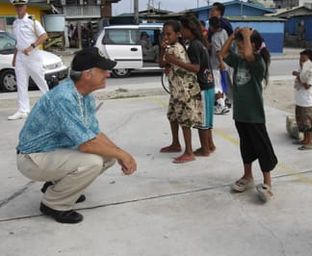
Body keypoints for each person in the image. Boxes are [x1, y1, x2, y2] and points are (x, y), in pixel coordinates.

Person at [16, 47, 137, 224]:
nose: (108, 74)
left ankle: (59, 187)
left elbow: (94, 132)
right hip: (32, 158)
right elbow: (86, 144)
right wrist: (123, 155)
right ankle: (54, 203)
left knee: (108, 155)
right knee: (92, 162)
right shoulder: (64, 97)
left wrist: (118, 152)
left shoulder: (83, 94)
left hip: (52, 152)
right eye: (103, 70)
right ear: (87, 74)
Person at [220, 28, 278, 203]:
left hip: (255, 116)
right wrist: (232, 36)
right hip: (241, 115)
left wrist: (246, 35)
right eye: (238, 46)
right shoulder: (239, 62)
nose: (239, 49)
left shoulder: (258, 62)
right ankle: (248, 176)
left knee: (262, 148)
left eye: (241, 45)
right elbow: (222, 54)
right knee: (246, 147)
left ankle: (267, 182)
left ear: (253, 45)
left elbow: (248, 53)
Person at [168, 15, 215, 157]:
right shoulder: (198, 42)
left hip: (204, 86)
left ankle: (205, 149)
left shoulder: (195, 45)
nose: (181, 32)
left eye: (182, 29)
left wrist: (174, 61)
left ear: (189, 29)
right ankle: (209, 145)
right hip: (208, 85)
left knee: (203, 122)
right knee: (206, 120)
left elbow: (195, 68)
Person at [159, 20, 202, 164]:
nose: (165, 37)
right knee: (172, 116)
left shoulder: (176, 48)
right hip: (176, 90)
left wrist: (171, 60)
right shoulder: (169, 47)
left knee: (184, 120)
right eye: (164, 34)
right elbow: (161, 63)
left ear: (177, 34)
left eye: (169, 34)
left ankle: (189, 151)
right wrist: (162, 50)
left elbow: (191, 67)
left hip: (184, 90)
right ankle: (176, 143)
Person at [8, 0, 49, 120]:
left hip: (32, 56)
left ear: (25, 7)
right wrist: (14, 58)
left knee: (40, 81)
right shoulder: (15, 23)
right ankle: (23, 110)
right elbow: (17, 42)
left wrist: (32, 46)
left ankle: (50, 105)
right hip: (20, 56)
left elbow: (44, 36)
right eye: (17, 6)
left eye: (21, 6)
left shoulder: (33, 21)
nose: (19, 8)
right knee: (21, 83)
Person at [292, 49, 312, 150]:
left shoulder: (311, 71)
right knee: (302, 122)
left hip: (306, 103)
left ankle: (309, 142)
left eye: (304, 60)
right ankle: (305, 140)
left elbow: (307, 86)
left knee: (308, 123)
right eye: (300, 59)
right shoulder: (302, 70)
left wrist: (299, 76)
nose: (301, 62)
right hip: (299, 101)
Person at [209, 16, 230, 115]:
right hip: (225, 62)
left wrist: (220, 63)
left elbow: (218, 53)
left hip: (216, 65)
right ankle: (223, 104)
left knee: (216, 86)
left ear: (211, 26)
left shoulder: (214, 37)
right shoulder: (224, 32)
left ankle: (221, 106)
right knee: (222, 85)